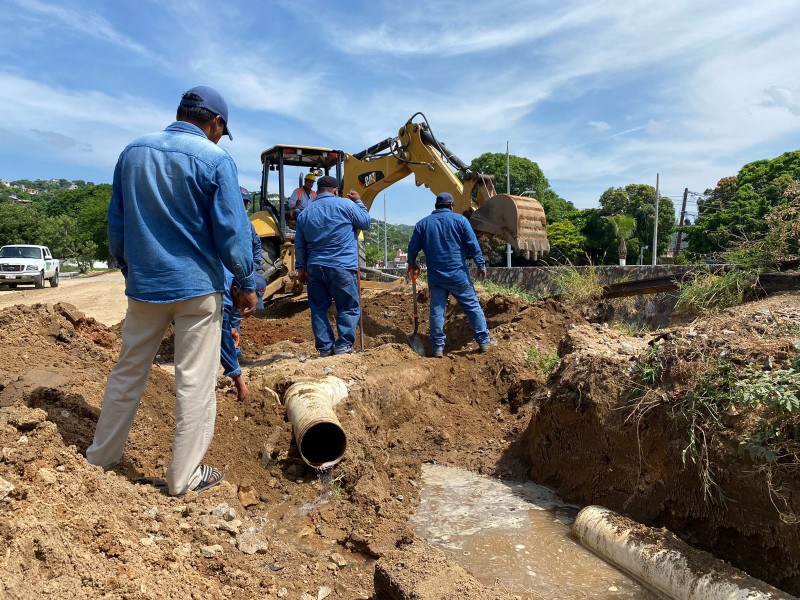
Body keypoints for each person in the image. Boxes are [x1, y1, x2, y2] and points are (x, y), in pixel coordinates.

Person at [86, 85, 258, 496]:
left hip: (146, 286)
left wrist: (130, 269)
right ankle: (183, 478)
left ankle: (99, 459)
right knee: (195, 382)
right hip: (198, 289)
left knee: (128, 372)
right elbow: (233, 232)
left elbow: (118, 223)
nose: (220, 136)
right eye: (222, 129)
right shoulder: (216, 159)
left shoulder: (133, 153)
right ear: (216, 122)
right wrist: (247, 283)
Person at [407, 192, 496, 358]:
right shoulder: (461, 221)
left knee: (437, 311)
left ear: (436, 206)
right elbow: (473, 244)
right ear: (451, 205)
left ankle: (438, 348)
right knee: (472, 307)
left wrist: (412, 263)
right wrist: (480, 264)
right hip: (458, 275)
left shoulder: (422, 224)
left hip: (436, 277)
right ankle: (483, 342)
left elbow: (412, 249)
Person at [294, 175, 371, 356]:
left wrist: (301, 268)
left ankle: (325, 348)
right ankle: (343, 346)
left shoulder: (305, 213)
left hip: (316, 267)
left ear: (318, 191)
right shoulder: (347, 205)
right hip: (342, 265)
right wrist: (359, 202)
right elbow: (365, 223)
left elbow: (300, 244)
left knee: (318, 308)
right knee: (348, 306)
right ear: (336, 191)